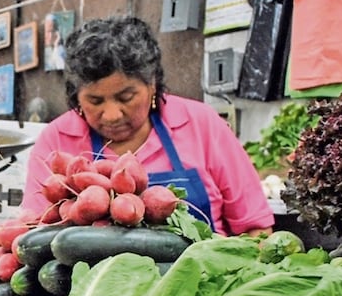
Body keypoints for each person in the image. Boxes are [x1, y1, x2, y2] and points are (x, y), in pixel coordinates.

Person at [21, 16, 273, 237]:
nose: (111, 114)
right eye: (95, 101)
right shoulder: (56, 140)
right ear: (76, 96)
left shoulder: (202, 124)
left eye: (126, 97)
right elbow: (35, 233)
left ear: (152, 84)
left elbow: (256, 229)